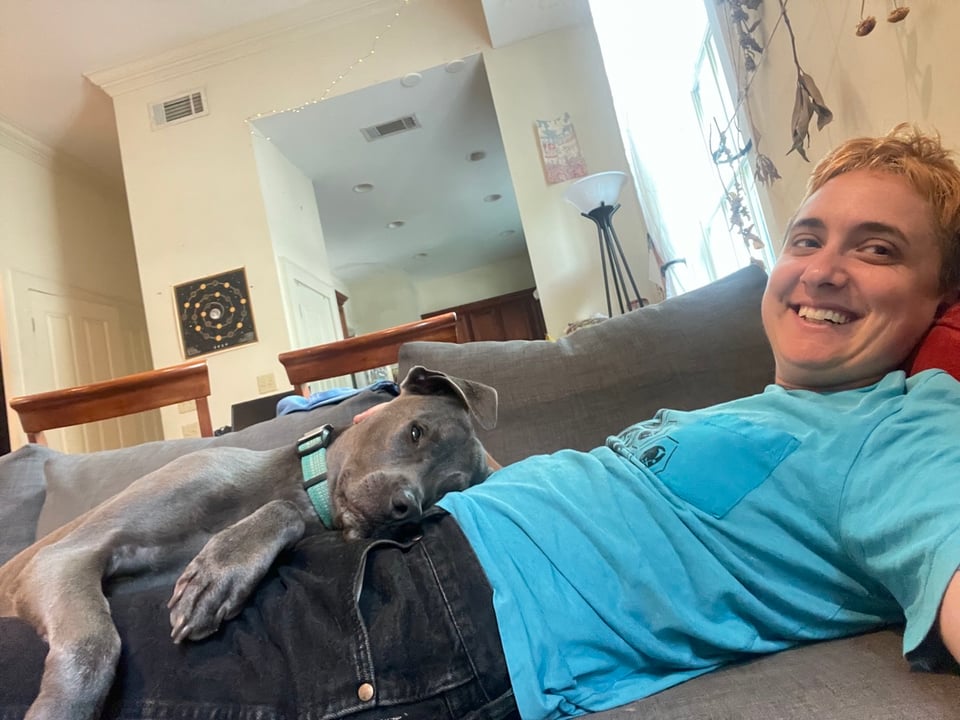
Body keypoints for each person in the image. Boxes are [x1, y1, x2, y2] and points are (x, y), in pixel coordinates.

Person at [1, 123, 959, 720]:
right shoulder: (763, 406)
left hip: (436, 623)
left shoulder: (911, 430)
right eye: (807, 237)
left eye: (876, 250)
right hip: (392, 566)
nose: (823, 270)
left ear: (940, 298)